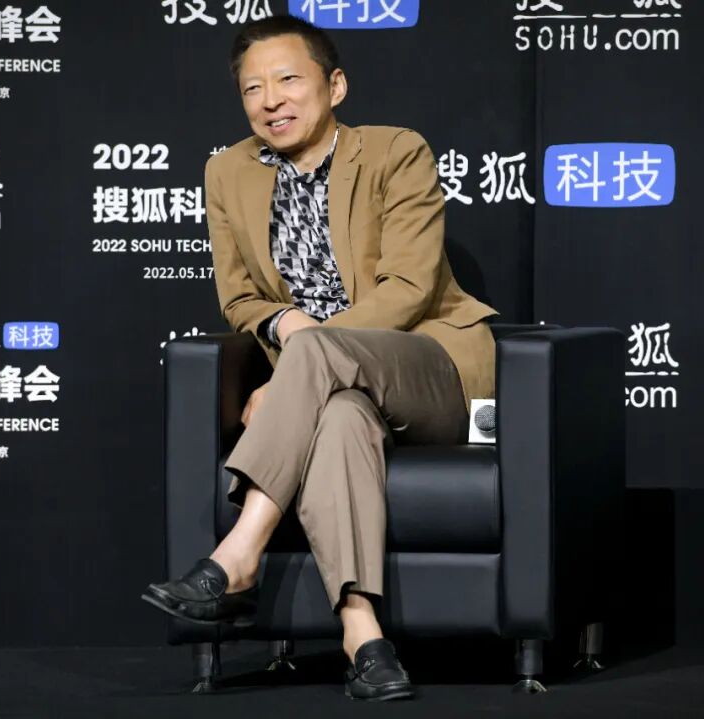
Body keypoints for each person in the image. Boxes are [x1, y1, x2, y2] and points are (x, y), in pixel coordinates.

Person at [142, 14, 498, 701]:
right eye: (252, 89)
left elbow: (409, 288)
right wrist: (285, 323)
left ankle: (237, 555)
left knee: (317, 362)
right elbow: (239, 298)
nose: (269, 100)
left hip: (428, 367)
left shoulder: (395, 152)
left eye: (287, 80)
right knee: (339, 419)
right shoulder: (227, 172)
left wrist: (303, 359)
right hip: (331, 389)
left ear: (334, 86)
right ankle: (365, 639)